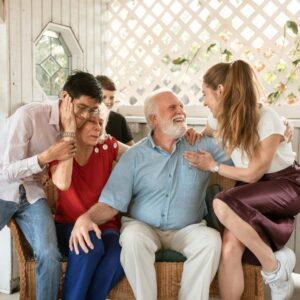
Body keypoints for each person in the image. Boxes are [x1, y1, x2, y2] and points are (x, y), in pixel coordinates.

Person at [68, 88, 233, 300]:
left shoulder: (201, 145)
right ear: (154, 119)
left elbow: (244, 150)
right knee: (132, 237)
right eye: (172, 107)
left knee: (210, 240)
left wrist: (275, 130)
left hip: (188, 229)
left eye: (181, 106)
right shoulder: (135, 156)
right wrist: (86, 218)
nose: (181, 111)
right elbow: (111, 203)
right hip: (144, 227)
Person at [183, 60, 300, 300]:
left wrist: (214, 166)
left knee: (221, 203)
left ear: (221, 91)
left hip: (284, 185)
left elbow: (253, 174)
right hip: (249, 191)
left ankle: (274, 269)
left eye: (205, 94)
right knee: (229, 248)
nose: (203, 101)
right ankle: (278, 257)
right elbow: (207, 130)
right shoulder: (217, 119)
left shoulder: (267, 118)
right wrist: (194, 134)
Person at [0, 71, 102, 300]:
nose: (86, 116)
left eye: (92, 110)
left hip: (33, 195)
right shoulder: (30, 115)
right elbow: (7, 170)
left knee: (49, 254)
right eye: (82, 107)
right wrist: (44, 157)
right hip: (4, 188)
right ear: (65, 97)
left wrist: (69, 131)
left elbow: (64, 182)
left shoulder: (74, 128)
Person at [50, 103, 128, 300]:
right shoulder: (60, 149)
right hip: (68, 224)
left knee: (119, 255)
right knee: (89, 243)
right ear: (77, 124)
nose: (98, 127)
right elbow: (62, 183)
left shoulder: (107, 145)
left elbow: (139, 154)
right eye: (91, 122)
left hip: (106, 225)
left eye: (101, 122)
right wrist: (69, 141)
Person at [95, 75, 135, 145]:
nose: (108, 102)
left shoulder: (119, 119)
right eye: (104, 97)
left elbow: (131, 147)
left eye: (111, 98)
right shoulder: (90, 120)